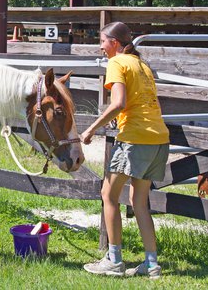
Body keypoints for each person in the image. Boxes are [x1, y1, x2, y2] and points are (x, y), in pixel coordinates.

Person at [81, 22, 169, 279]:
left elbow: (118, 102)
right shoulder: (142, 64)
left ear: (115, 43)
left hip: (135, 139)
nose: (100, 46)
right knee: (139, 202)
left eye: (103, 41)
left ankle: (114, 260)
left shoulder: (117, 63)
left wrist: (91, 129)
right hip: (158, 138)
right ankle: (152, 265)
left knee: (108, 195)